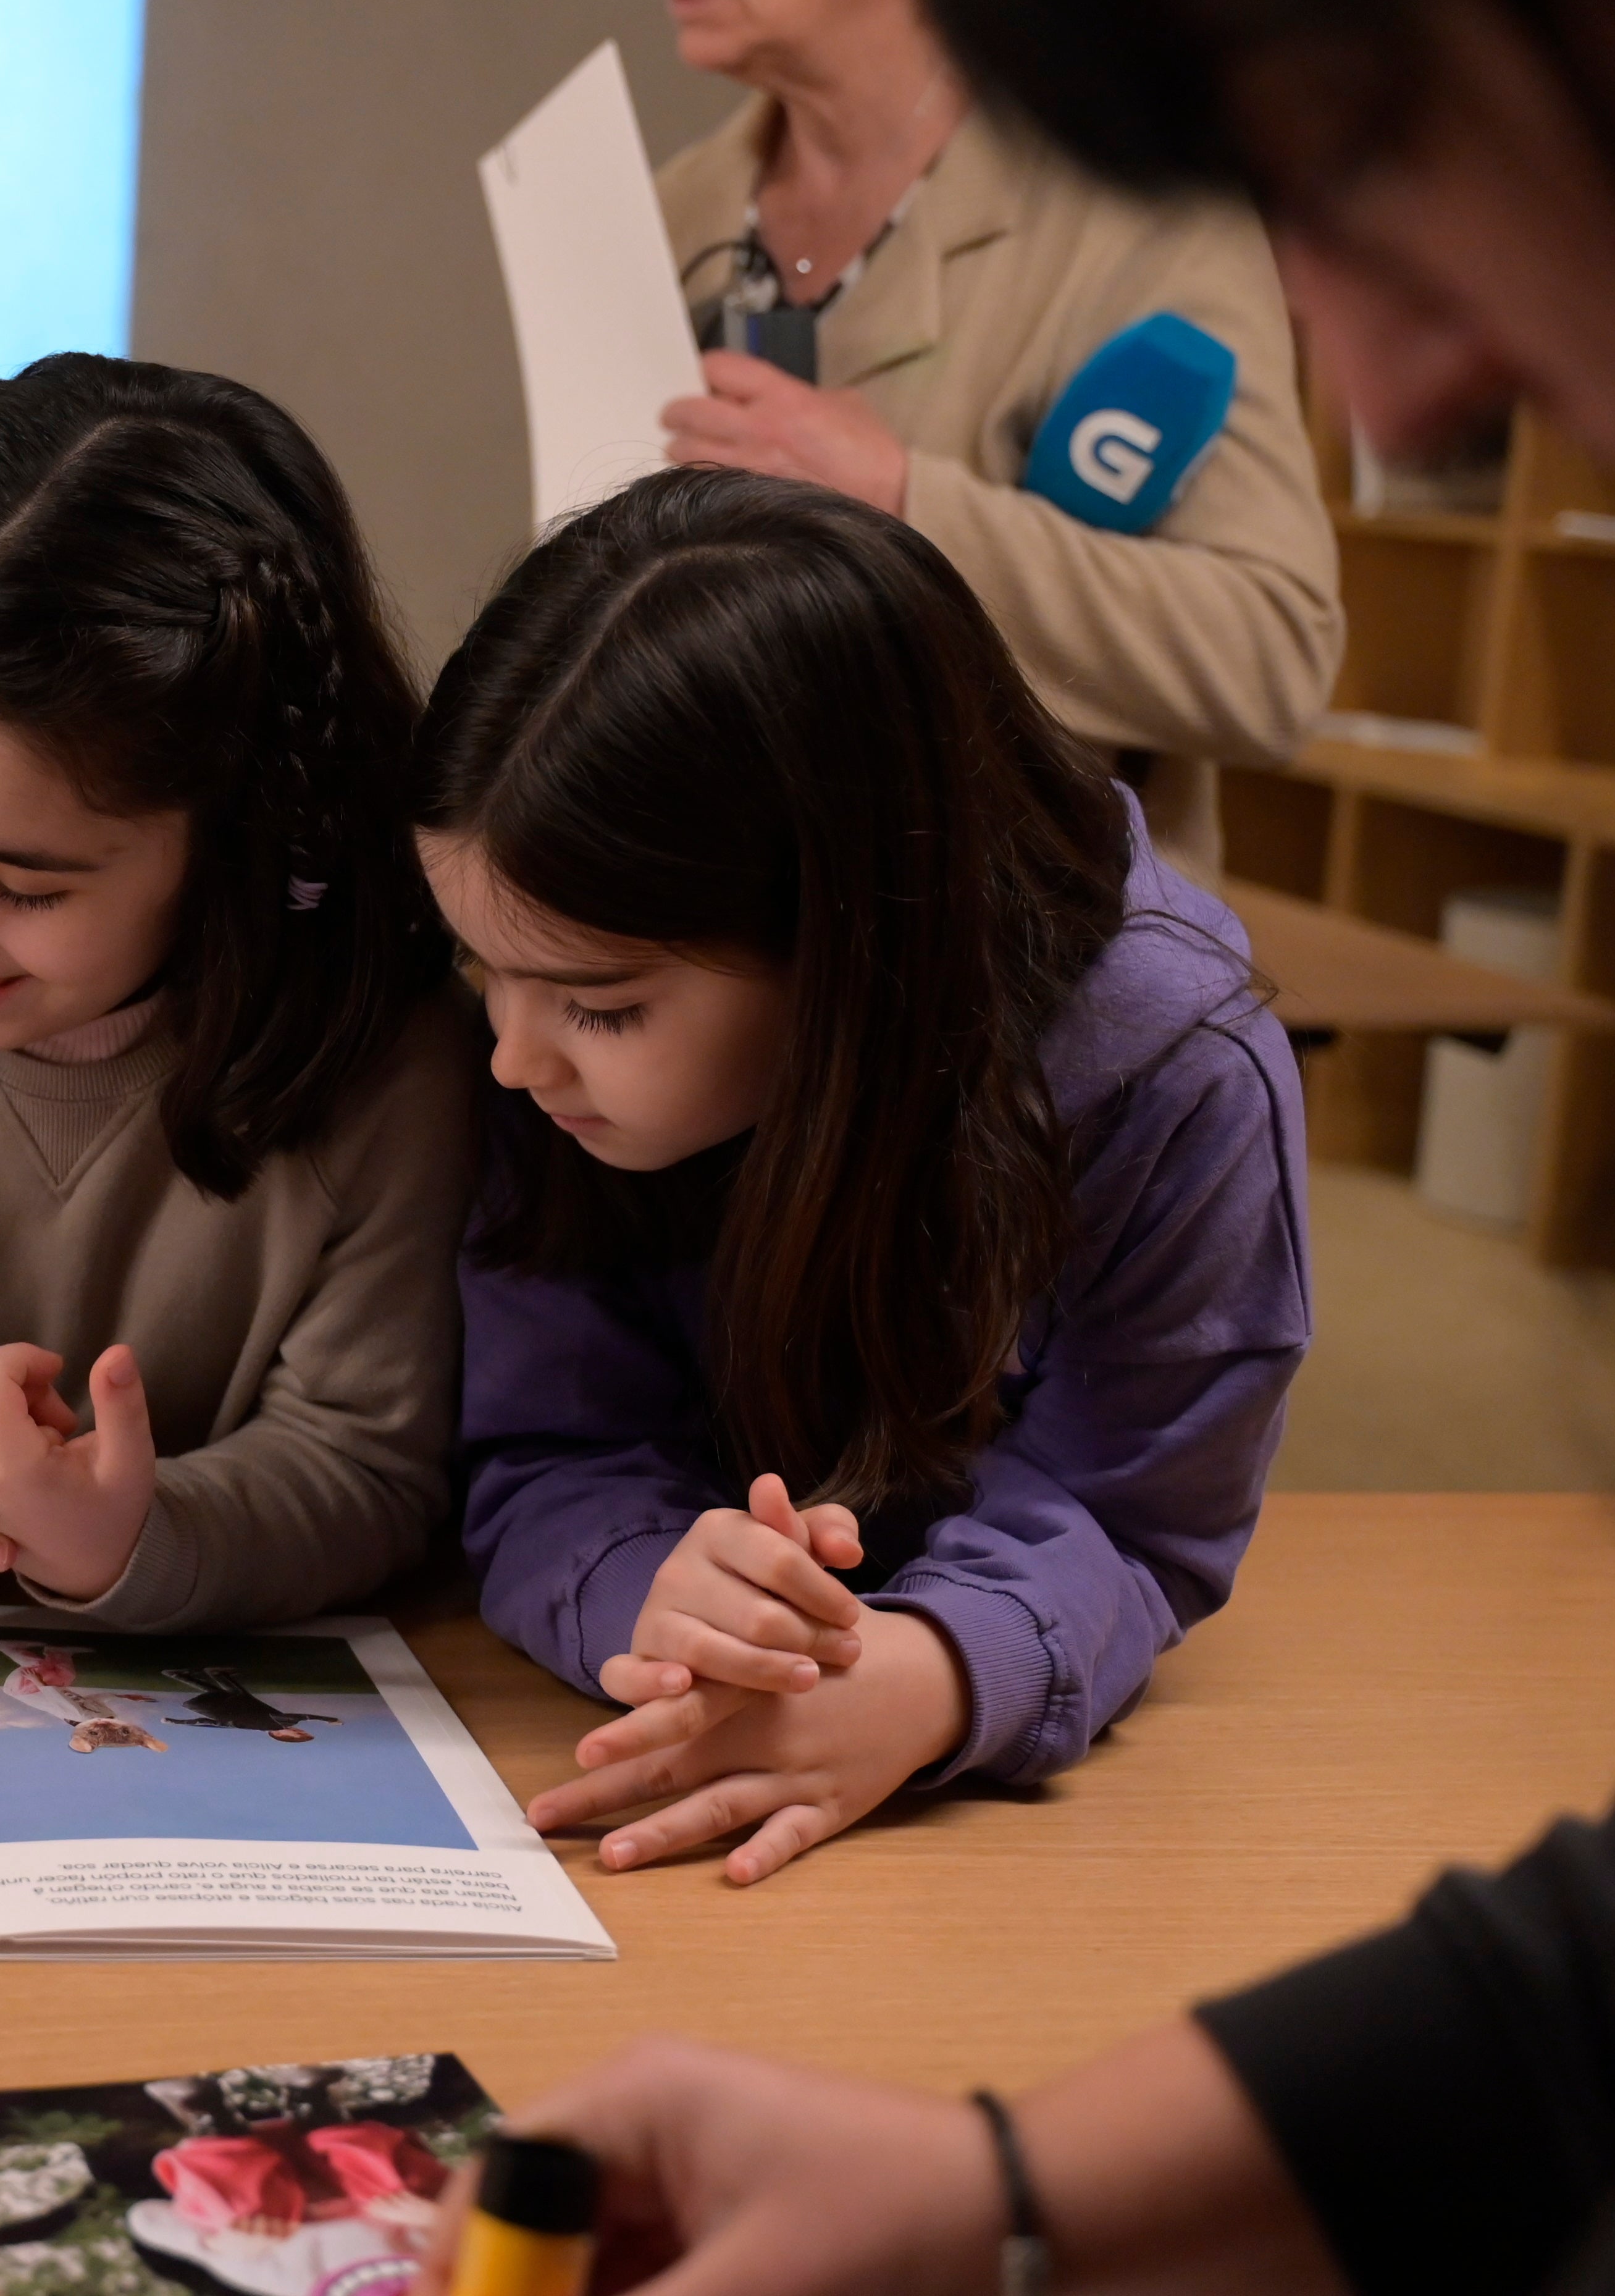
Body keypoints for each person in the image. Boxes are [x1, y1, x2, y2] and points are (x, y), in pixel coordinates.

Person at [420, 0, 1615, 2287]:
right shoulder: (690, 213)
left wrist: (944, 1669)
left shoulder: (1135, 1052)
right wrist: (1006, 2189)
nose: (1398, 376)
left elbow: (1260, 634)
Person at [418, 466, 1305, 1886]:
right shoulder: (558, 1036)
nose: (514, 1058)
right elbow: (547, 1446)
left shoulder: (1176, 1066)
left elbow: (1138, 1513)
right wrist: (653, 1593)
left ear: (848, 943)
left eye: (599, 1006)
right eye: (482, 970)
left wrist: (941, 1667)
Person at [0, 355, 480, 1630]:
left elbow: (363, 1459)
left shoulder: (396, 1066)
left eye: (21, 885)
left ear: (240, 832)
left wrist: (129, 1535)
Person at [594, 0, 1339, 866]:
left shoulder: (1132, 202)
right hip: (706, 918)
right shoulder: (668, 215)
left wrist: (902, 508)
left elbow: (1272, 658)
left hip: (1017, 944)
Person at [0, 1639, 171, 1756]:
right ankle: (57, 1651)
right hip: (45, 1687)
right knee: (67, 1674)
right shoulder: (106, 1717)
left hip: (22, 1689)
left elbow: (56, 1698)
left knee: (38, 1667)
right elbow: (95, 1700)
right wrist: (123, 1696)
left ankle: (5, 1646)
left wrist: (36, 1680)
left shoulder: (75, 1715)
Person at [164, 1670, 338, 1743]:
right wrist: (175, 1722)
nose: (300, 1730)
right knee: (235, 1696)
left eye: (299, 1733)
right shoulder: (253, 1726)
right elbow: (210, 1722)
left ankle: (216, 1674)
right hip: (204, 1705)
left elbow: (303, 1716)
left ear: (277, 1734)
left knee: (238, 1696)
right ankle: (178, 1675)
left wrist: (330, 1720)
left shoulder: (277, 1723)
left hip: (213, 1703)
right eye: (303, 1732)